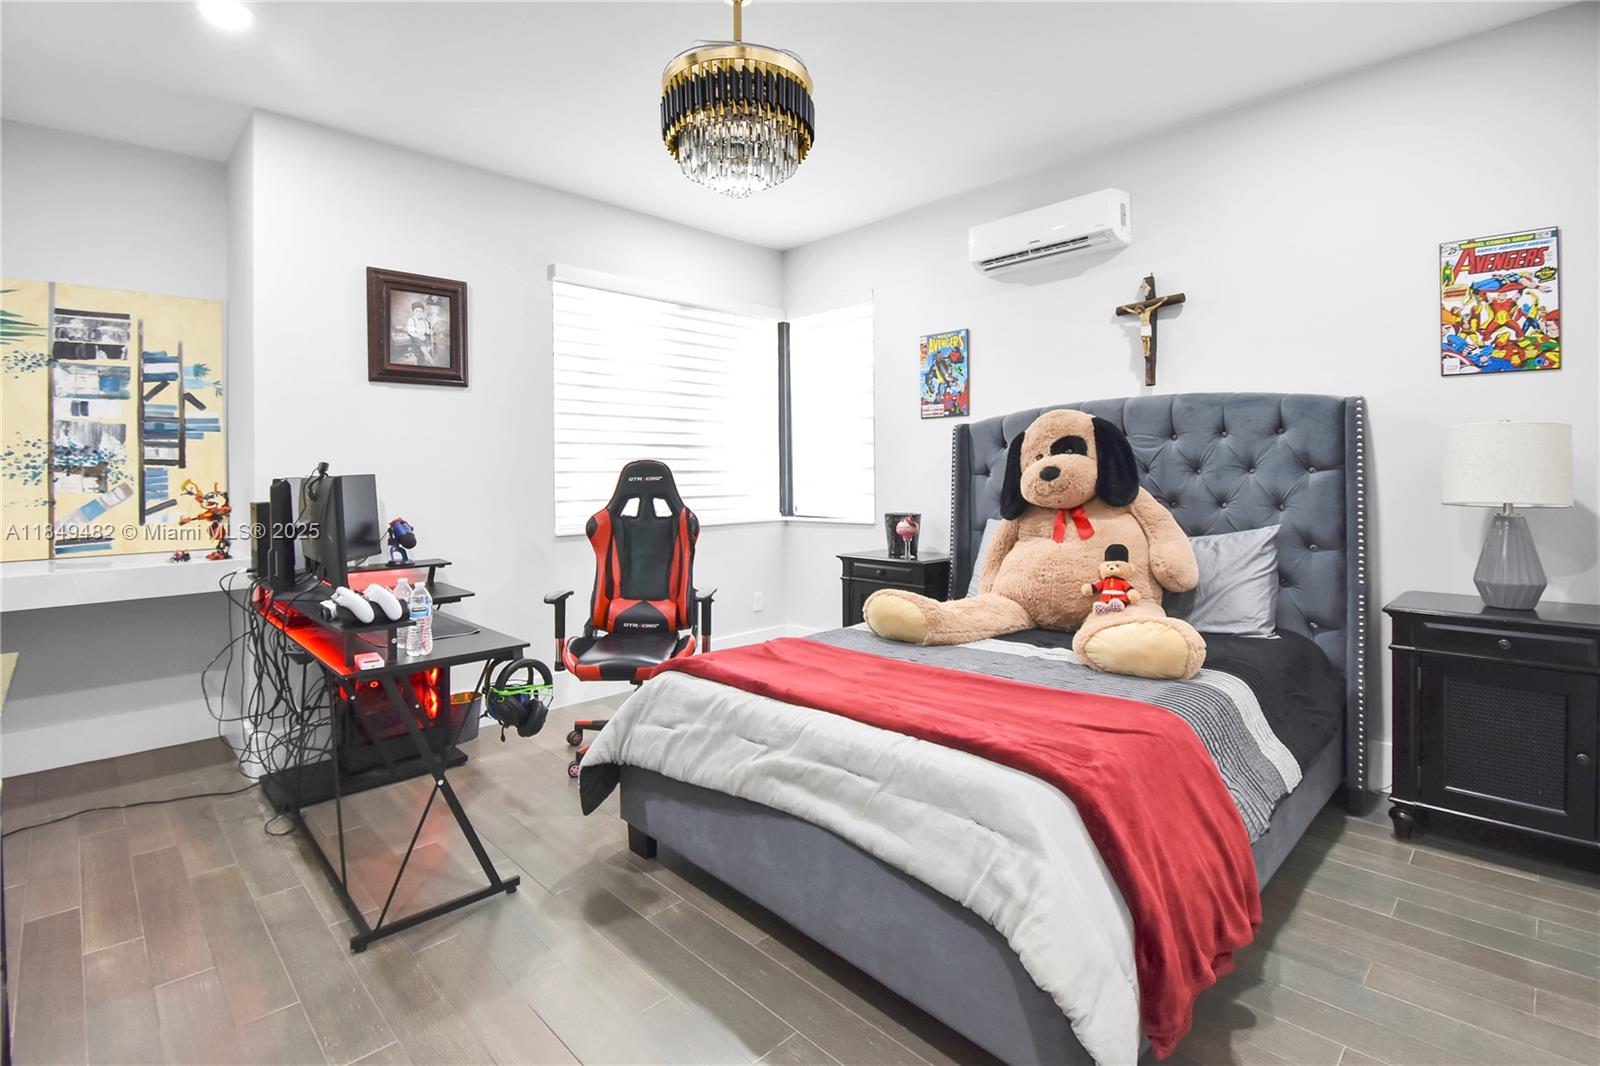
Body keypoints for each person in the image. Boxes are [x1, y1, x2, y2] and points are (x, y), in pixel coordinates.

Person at [401, 300, 433, 365]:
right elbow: (411, 331)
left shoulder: (424, 321)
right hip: (415, 337)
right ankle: (429, 357)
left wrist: (429, 331)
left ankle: (426, 356)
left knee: (428, 340)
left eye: (421, 311)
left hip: (423, 336)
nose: (419, 313)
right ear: (413, 312)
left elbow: (426, 329)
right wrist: (418, 336)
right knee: (420, 343)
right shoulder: (411, 320)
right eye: (417, 311)